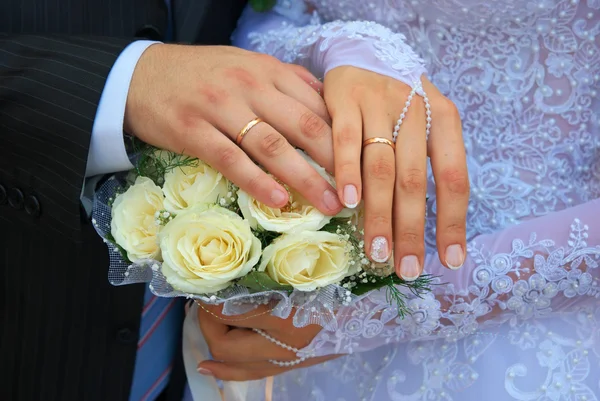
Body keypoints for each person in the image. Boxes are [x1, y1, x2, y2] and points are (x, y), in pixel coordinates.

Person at [185, 1, 600, 400]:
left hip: (525, 323)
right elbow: (265, 18)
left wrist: (380, 315)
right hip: (314, 286)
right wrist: (339, 45)